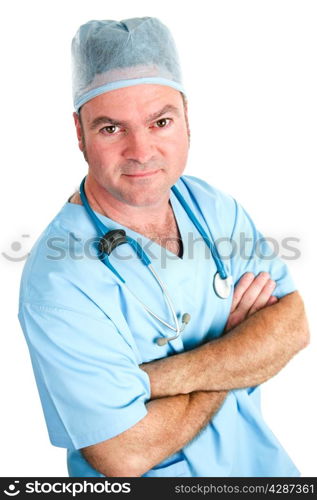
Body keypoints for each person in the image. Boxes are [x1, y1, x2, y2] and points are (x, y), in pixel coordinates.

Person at [18, 17, 309, 478]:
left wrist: (152, 382)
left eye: (161, 122)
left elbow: (292, 327)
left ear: (187, 119)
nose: (141, 150)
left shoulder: (210, 207)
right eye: (111, 129)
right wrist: (232, 354)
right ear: (79, 132)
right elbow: (123, 455)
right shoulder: (59, 283)